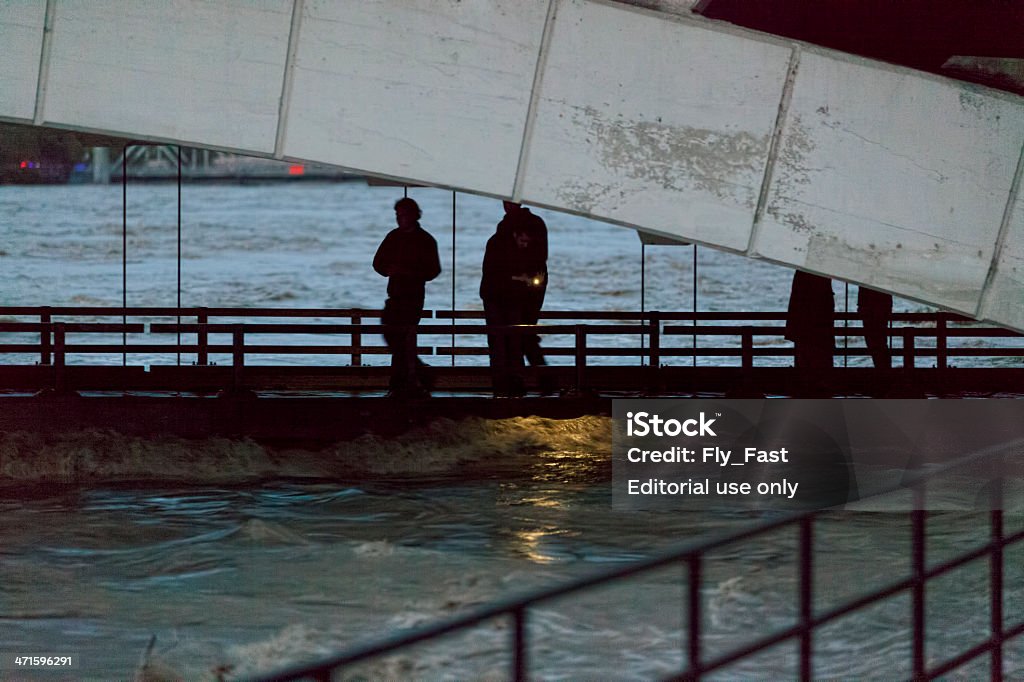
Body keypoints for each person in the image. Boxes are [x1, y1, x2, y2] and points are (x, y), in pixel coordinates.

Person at [372, 197, 441, 396]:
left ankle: (403, 382)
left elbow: (433, 270)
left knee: (405, 339)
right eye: (398, 215)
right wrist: (389, 270)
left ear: (413, 215)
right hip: (395, 294)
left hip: (413, 296)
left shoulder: (425, 240)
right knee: (394, 336)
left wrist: (409, 272)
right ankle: (416, 375)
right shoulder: (393, 237)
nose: (400, 219)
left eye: (403, 215)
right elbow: (378, 263)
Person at [480, 222, 535, 396]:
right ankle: (505, 383)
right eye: (523, 241)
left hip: (506, 298)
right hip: (496, 298)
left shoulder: (498, 243)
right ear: (515, 235)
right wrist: (521, 278)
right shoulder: (498, 246)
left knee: (511, 343)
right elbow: (494, 273)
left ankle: (510, 382)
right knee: (502, 343)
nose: (525, 245)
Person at [496, 201, 548, 367]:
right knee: (525, 333)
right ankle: (541, 375)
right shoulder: (534, 222)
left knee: (520, 334)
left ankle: (538, 376)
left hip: (519, 288)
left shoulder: (506, 225)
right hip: (527, 286)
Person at [785, 270, 835, 370]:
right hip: (819, 328)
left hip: (805, 325)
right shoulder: (821, 278)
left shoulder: (803, 277)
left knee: (805, 356)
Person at [858, 286, 893, 369]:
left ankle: (883, 369)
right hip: (879, 304)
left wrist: (861, 305)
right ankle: (884, 369)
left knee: (874, 341)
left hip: (869, 305)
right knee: (879, 340)